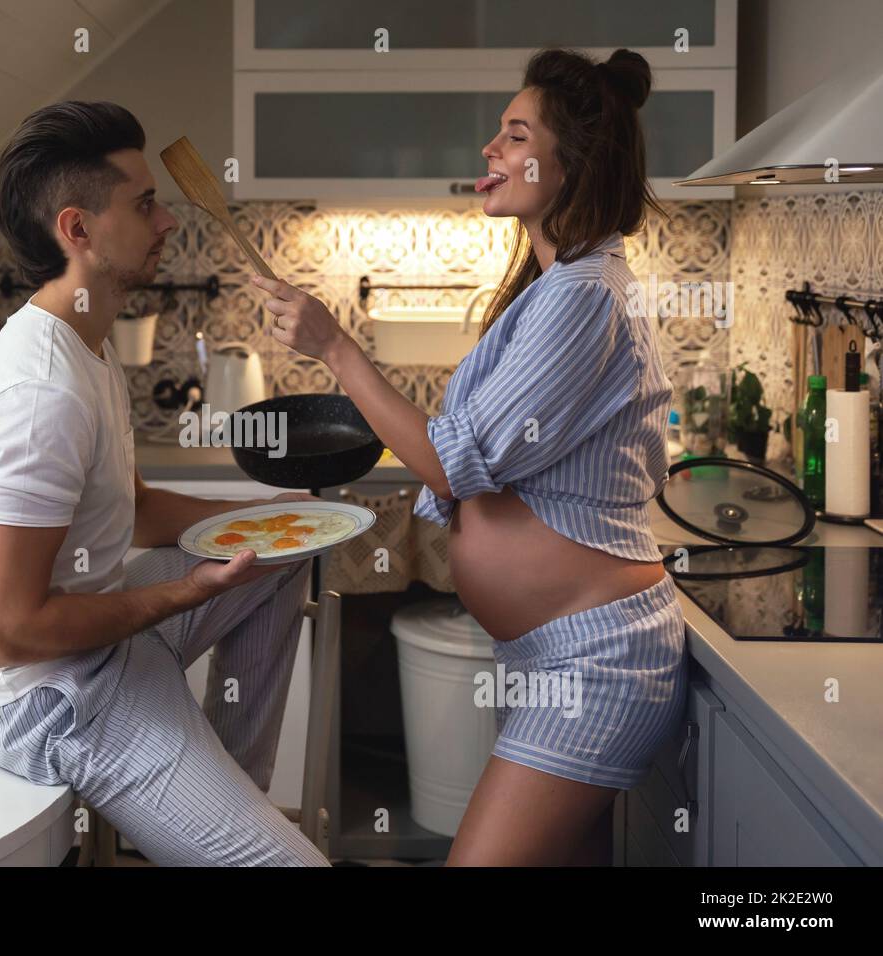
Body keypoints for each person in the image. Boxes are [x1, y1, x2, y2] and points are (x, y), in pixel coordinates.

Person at [252, 49, 687, 866]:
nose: (489, 149)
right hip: (556, 653)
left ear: (571, 165)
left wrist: (335, 348)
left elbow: (453, 464)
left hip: (595, 662)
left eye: (514, 133)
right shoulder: (562, 287)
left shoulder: (584, 298)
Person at [0, 101, 327, 866]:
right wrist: (182, 595)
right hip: (45, 699)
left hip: (101, 646)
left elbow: (135, 508)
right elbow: (7, 634)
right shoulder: (39, 394)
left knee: (287, 551)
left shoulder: (86, 344)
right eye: (144, 203)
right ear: (78, 231)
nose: (168, 219)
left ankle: (224, 795)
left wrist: (263, 515)